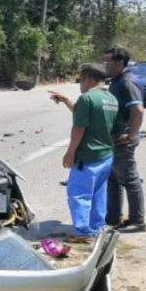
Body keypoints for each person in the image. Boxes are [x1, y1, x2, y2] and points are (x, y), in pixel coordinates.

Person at [49, 64, 118, 242]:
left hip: (88, 157)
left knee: (79, 194)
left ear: (89, 78)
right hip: (106, 156)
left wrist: (70, 152)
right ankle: (96, 228)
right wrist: (66, 101)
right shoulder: (111, 98)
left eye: (81, 80)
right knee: (98, 194)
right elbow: (87, 116)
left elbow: (79, 127)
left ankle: (83, 232)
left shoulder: (87, 98)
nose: (80, 84)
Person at [102, 46, 146, 233]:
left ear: (120, 63)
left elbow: (138, 110)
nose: (105, 65)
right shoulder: (118, 80)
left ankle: (137, 220)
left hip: (123, 140)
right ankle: (113, 217)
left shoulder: (127, 83)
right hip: (115, 140)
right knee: (113, 180)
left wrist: (131, 135)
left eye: (108, 62)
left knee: (129, 179)